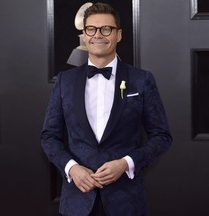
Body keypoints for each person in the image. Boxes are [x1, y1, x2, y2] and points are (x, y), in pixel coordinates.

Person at [41, 2, 172, 216]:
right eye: (91, 29)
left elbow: (162, 136)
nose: (98, 35)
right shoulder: (65, 81)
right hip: (77, 202)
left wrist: (126, 163)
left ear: (118, 35)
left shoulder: (142, 80)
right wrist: (72, 168)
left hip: (127, 201)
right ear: (84, 35)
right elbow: (49, 137)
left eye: (106, 29)